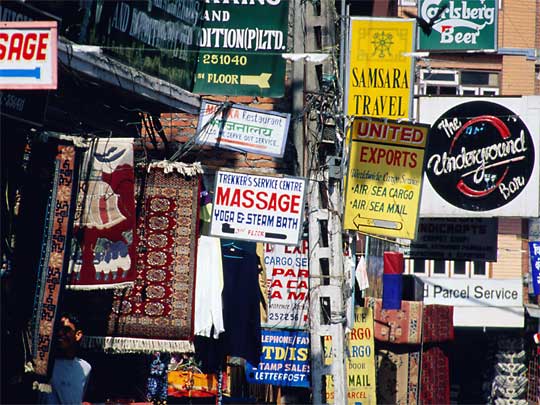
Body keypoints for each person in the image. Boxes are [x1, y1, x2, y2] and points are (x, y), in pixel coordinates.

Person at [40, 313, 92, 404]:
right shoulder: (44, 365)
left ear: (78, 335)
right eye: (58, 329)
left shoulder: (85, 368)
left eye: (66, 329)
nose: (60, 333)